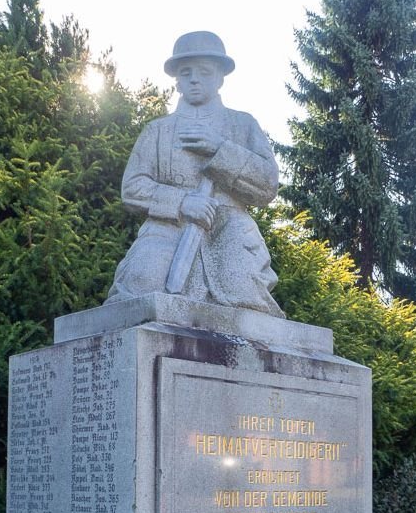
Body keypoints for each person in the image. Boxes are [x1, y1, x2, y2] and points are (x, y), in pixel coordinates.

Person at [106, 31, 283, 317]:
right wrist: (182, 202)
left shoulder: (243, 125)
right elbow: (133, 187)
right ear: (176, 81)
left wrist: (220, 150)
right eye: (186, 72)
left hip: (230, 228)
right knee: (139, 288)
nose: (195, 79)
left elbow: (267, 185)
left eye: (204, 71)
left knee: (245, 297)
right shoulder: (157, 130)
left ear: (220, 77)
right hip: (166, 227)